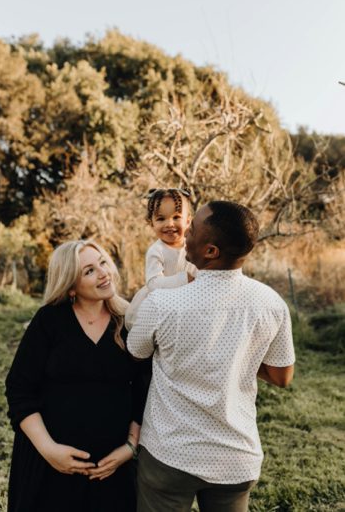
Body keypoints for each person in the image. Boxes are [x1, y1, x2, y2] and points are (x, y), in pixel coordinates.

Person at [126, 200, 294, 512]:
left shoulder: (162, 304)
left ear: (211, 252)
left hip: (169, 455)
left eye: (194, 229)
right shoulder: (271, 303)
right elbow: (283, 376)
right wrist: (239, 356)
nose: (184, 232)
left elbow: (136, 352)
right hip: (236, 459)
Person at [5, 238, 149, 509]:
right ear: (71, 286)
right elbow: (19, 389)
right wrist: (49, 450)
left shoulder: (129, 320)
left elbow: (144, 388)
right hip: (50, 469)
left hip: (112, 471)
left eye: (103, 263)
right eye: (89, 271)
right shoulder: (49, 321)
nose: (103, 273)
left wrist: (129, 448)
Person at [133, 191, 196, 304]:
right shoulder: (156, 251)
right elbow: (153, 283)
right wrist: (184, 279)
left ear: (187, 220)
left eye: (176, 217)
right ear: (152, 224)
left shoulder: (194, 246)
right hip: (163, 302)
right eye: (161, 219)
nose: (169, 224)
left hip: (191, 298)